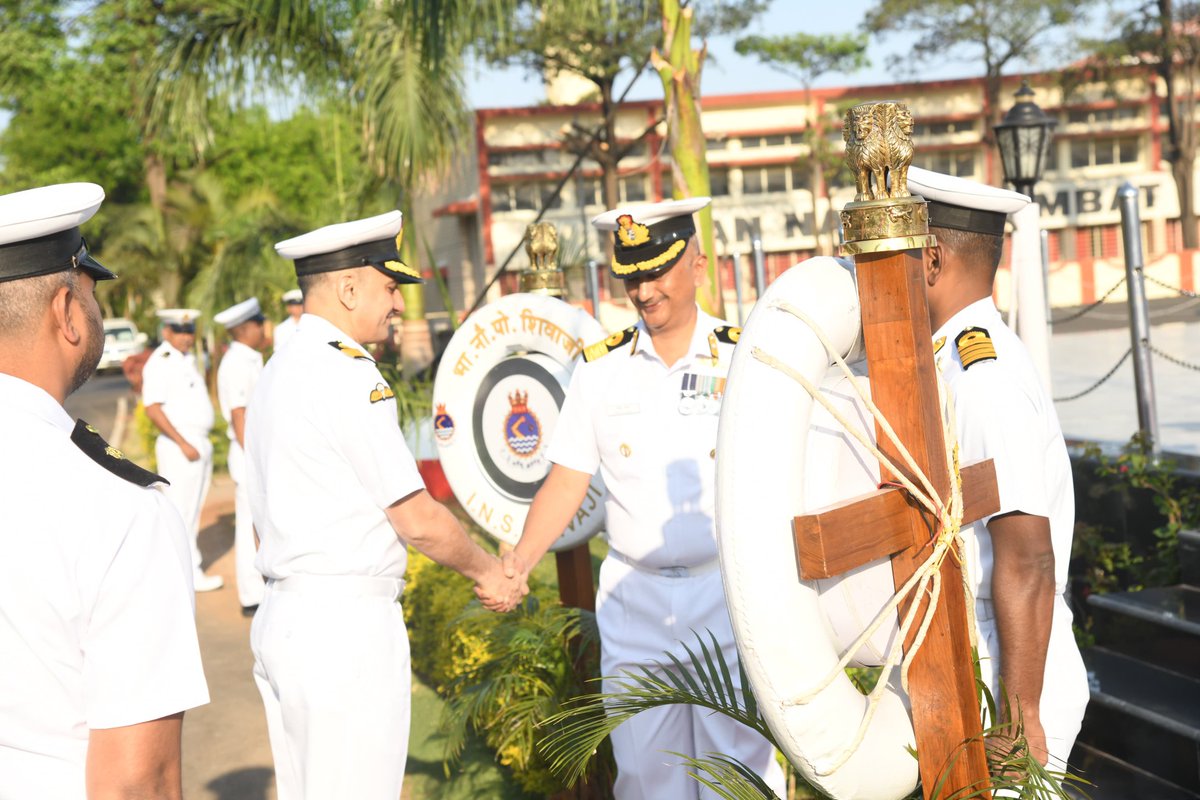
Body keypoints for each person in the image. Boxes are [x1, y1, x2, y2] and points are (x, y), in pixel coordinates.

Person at [510, 198, 785, 798]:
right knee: (644, 778)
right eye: (632, 277)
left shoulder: (746, 357)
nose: (643, 290)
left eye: (658, 272)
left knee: (739, 778)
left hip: (727, 598)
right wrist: (520, 561)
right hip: (635, 601)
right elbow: (567, 478)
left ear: (698, 265)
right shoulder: (599, 369)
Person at [246, 210, 527, 798]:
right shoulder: (349, 374)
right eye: (389, 286)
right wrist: (488, 573)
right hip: (342, 630)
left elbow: (259, 515)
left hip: (286, 617)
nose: (397, 304)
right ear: (349, 288)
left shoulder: (278, 368)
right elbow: (417, 519)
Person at [0, 182, 209, 798]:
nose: (92, 311)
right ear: (65, 311)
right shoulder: (120, 508)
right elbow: (137, 782)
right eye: (91, 294)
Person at [908, 166, 1089, 769]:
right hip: (981, 645)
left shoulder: (980, 376)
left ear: (931, 259)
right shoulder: (950, 359)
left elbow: (1028, 554)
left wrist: (1019, 714)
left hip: (1007, 659)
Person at [142, 306, 223, 592]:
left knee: (193, 511)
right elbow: (152, 408)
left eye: (189, 331)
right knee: (182, 512)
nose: (186, 336)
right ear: (167, 332)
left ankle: (185, 570)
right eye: (179, 331)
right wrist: (182, 442)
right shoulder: (161, 361)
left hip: (195, 442)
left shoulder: (185, 359)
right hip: (180, 446)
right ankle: (189, 573)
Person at [214, 296, 268, 616]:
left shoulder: (248, 358)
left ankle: (259, 590)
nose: (264, 329)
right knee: (249, 525)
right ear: (246, 328)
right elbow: (239, 415)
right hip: (249, 455)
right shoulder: (236, 363)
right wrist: (255, 459)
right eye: (260, 324)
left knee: (258, 522)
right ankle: (251, 596)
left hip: (254, 453)